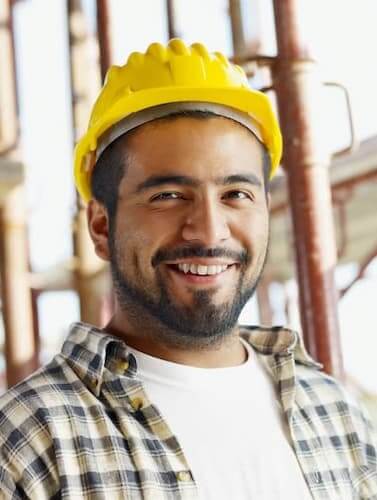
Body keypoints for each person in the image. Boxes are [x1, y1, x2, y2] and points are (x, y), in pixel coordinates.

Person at [0, 39, 376, 500]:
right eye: (168, 195)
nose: (208, 230)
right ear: (101, 226)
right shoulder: (26, 441)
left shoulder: (333, 411)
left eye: (236, 194)